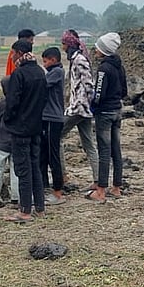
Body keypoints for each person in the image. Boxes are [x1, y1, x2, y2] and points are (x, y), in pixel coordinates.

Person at [3, 39, 47, 222]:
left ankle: (25, 211)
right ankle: (40, 207)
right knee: (35, 167)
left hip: (20, 130)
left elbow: (12, 103)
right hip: (36, 128)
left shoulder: (19, 75)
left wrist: (7, 119)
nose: (12, 57)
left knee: (23, 170)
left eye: (13, 53)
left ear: (19, 53)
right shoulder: (40, 72)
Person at [86, 32, 127, 203]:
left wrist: (93, 106)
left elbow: (98, 93)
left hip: (105, 113)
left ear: (103, 50)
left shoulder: (104, 69)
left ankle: (100, 191)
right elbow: (125, 91)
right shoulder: (119, 66)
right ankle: (116, 187)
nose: (95, 50)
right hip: (117, 111)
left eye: (98, 47)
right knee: (116, 149)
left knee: (104, 150)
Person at [60, 29, 98, 187]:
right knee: (88, 144)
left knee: (55, 137)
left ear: (68, 45)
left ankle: (62, 176)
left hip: (78, 108)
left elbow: (89, 83)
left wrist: (88, 101)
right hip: (83, 108)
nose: (61, 46)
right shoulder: (76, 58)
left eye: (63, 43)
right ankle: (98, 180)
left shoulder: (79, 60)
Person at [40, 47, 67, 204]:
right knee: (43, 154)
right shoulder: (52, 72)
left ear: (53, 60)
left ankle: (57, 191)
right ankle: (44, 187)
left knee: (52, 154)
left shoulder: (56, 72)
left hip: (53, 118)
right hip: (46, 118)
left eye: (45, 61)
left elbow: (42, 85)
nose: (44, 64)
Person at [0, 76, 21, 209]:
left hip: (1, 141)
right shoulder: (20, 103)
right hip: (15, 141)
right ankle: (15, 200)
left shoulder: (1, 104)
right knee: (15, 170)